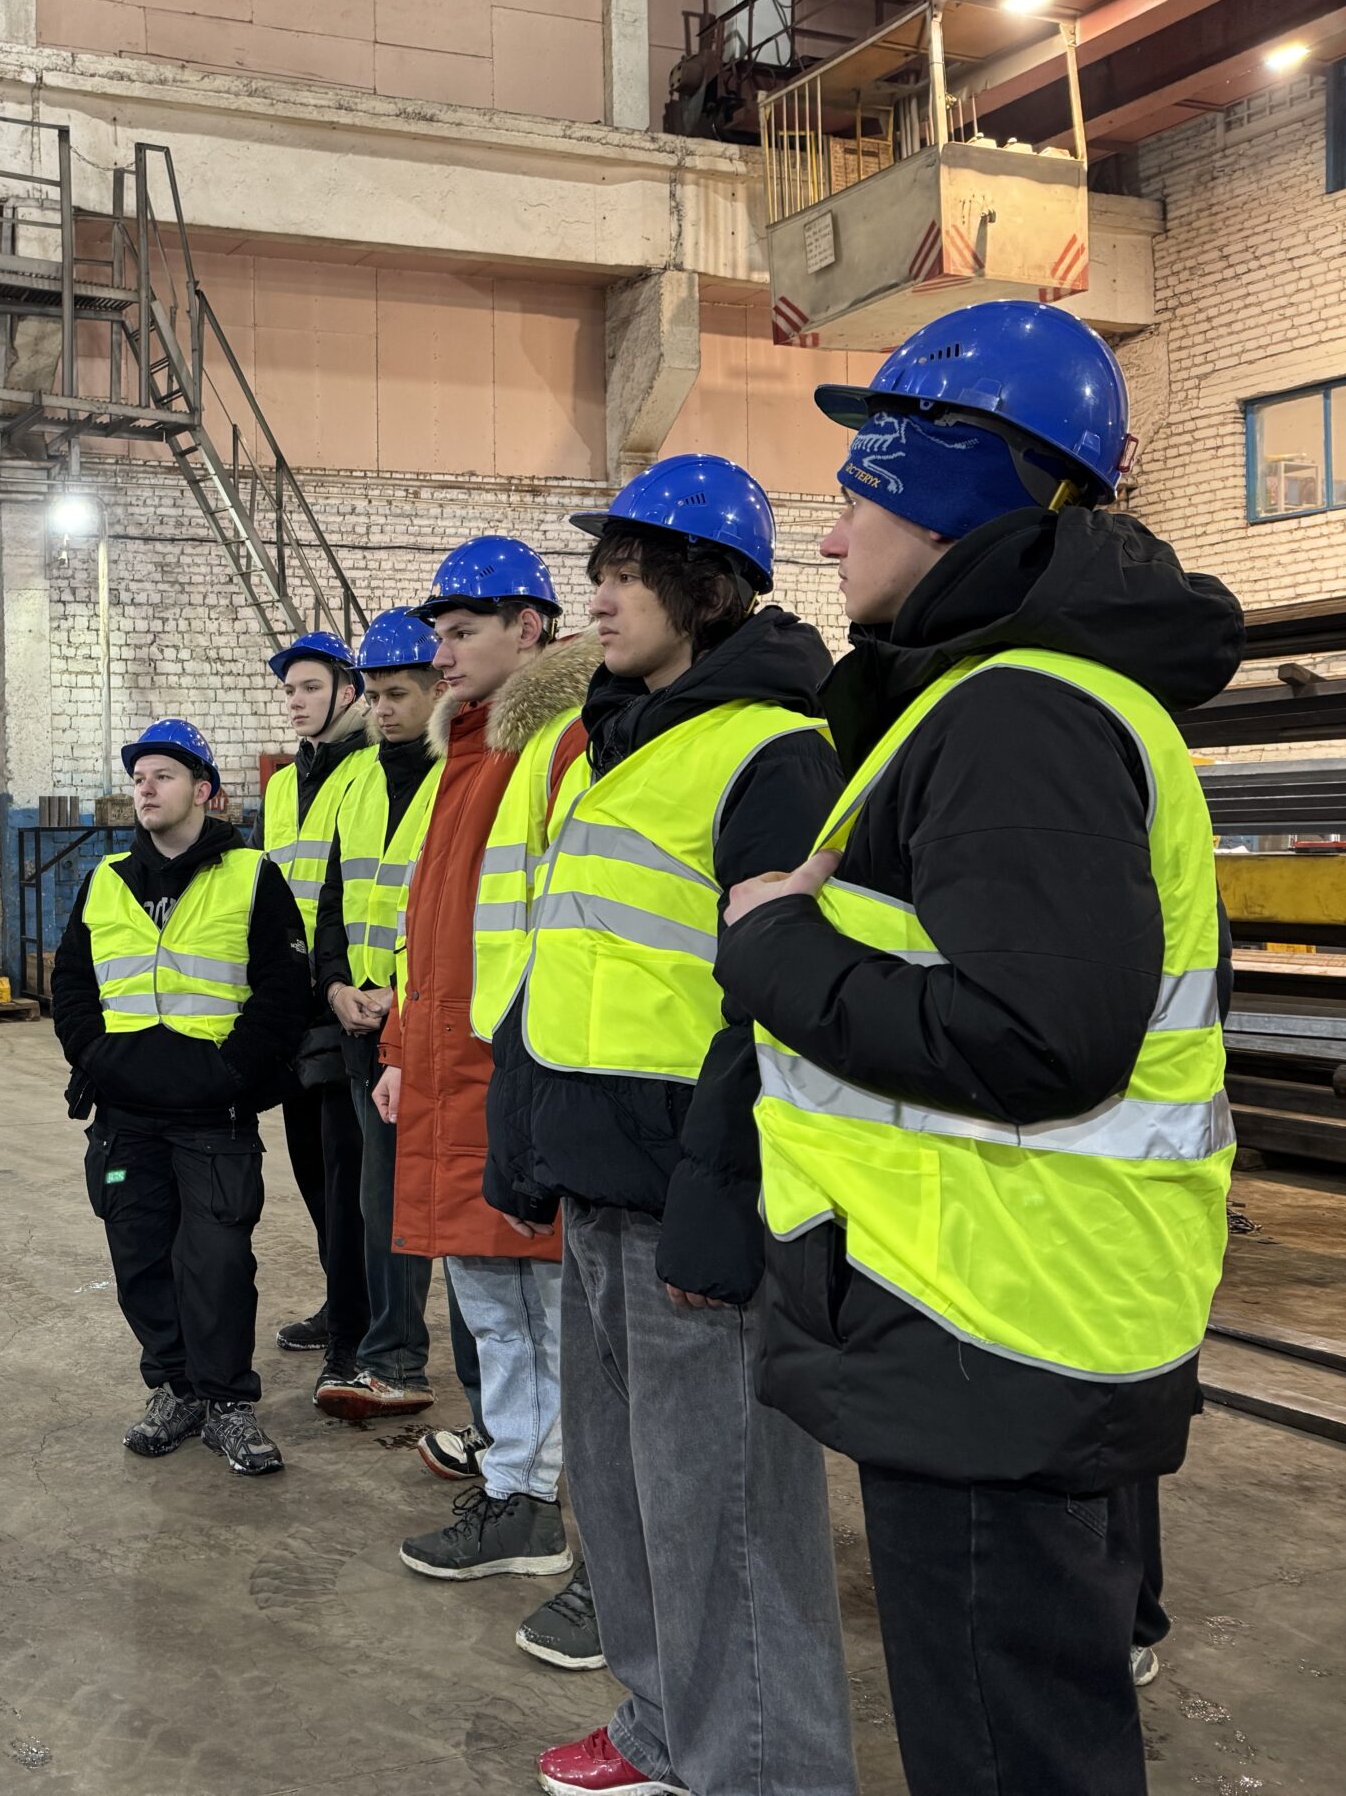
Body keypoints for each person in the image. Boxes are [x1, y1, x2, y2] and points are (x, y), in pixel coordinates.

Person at [720, 300, 1243, 1796]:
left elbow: (1036, 1041)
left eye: (854, 500)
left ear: (949, 481)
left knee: (1008, 1753)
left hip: (995, 1316)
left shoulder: (1020, 716)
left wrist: (771, 943)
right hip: (1000, 1304)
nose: (830, 543)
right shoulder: (1005, 696)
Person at [487, 458, 854, 1795]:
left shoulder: (773, 749)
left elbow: (780, 1006)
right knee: (629, 1495)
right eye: (597, 573)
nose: (597, 597)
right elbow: (570, 957)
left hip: (694, 1199)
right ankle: (660, 1729)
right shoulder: (616, 741)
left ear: (708, 588)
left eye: (627, 573)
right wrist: (524, 1134)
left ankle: (766, 1770)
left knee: (728, 1515)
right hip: (604, 1183)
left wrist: (722, 1196)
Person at [376, 539, 602, 1602]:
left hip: (515, 1080)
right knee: (493, 1312)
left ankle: (548, 1503)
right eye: (440, 633)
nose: (441, 652)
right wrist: (397, 1053)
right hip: (451, 1076)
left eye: (462, 631)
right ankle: (516, 1492)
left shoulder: (561, 744)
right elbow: (431, 934)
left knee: (547, 1313)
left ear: (530, 628)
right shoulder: (465, 755)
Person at [49, 718, 315, 1475]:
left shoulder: (252, 875)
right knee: (138, 1259)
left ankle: (227, 1402)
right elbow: (72, 983)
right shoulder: (105, 880)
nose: (146, 788)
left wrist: (232, 1072)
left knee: (218, 1263)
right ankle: (176, 1389)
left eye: (163, 775)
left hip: (212, 1117)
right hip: (125, 1117)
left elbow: (283, 990)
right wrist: (95, 1056)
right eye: (139, 777)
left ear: (204, 791)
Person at [308, 609, 473, 1426]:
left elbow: (463, 914)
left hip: (440, 1029)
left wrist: (399, 999)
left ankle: (488, 1398)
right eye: (372, 696)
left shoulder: (466, 776)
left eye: (397, 694)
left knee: (466, 1211)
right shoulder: (354, 782)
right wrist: (336, 985)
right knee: (386, 1204)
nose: (382, 710)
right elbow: (334, 899)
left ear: (438, 688)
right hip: (366, 1032)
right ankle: (391, 1360)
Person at [261, 631, 380, 1404]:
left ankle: (355, 1335)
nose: (297, 701)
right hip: (292, 1001)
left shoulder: (374, 769)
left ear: (348, 690)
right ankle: (341, 1300)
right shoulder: (283, 784)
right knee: (309, 1165)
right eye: (290, 690)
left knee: (348, 1175)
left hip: (348, 995)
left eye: (310, 687)